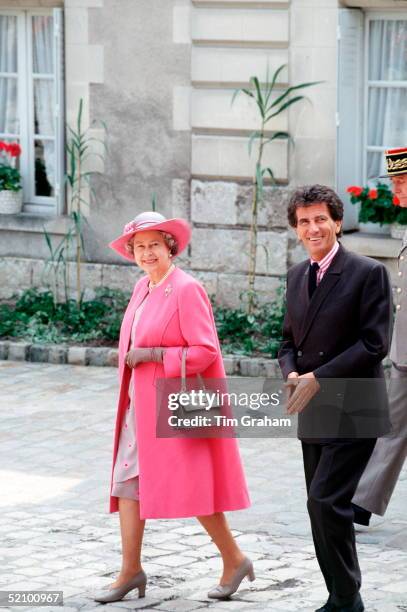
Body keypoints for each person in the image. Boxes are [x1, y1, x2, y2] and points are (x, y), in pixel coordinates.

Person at [94, 211, 253, 604]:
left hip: (173, 406)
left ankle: (234, 559)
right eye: (139, 247)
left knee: (192, 489)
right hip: (138, 407)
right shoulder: (142, 288)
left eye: (154, 245)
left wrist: (153, 354)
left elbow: (205, 352)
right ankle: (130, 570)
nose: (147, 253)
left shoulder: (186, 288)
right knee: (126, 485)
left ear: (170, 247)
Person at [278, 185, 393, 612]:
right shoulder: (295, 276)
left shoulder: (367, 273)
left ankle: (346, 597)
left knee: (324, 501)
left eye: (321, 219)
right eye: (304, 221)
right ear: (296, 228)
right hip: (312, 405)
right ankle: (342, 596)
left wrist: (317, 377)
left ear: (338, 222)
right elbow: (287, 340)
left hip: (355, 404)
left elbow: (373, 343)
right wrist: (291, 372)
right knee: (324, 509)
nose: (313, 228)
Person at [352, 147, 407, 526]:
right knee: (391, 427)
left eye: (402, 182)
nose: (396, 190)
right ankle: (360, 502)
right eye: (395, 182)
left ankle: (359, 502)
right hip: (405, 353)